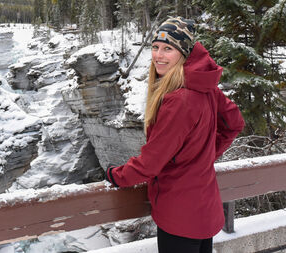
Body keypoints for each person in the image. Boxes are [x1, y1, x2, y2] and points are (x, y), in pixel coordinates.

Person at [105, 17, 245, 253]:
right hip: (203, 210)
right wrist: (203, 156)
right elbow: (234, 123)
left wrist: (114, 175)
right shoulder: (203, 84)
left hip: (180, 217)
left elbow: (150, 163)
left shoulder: (179, 99)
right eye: (155, 47)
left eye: (168, 48)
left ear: (184, 54)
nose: (158, 55)